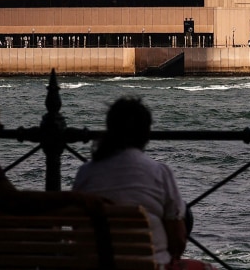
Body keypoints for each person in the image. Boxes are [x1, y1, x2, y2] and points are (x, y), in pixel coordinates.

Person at [72, 96, 214, 270]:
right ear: (146, 135)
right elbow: (177, 241)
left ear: (110, 129)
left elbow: (76, 226)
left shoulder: (85, 172)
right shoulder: (160, 172)